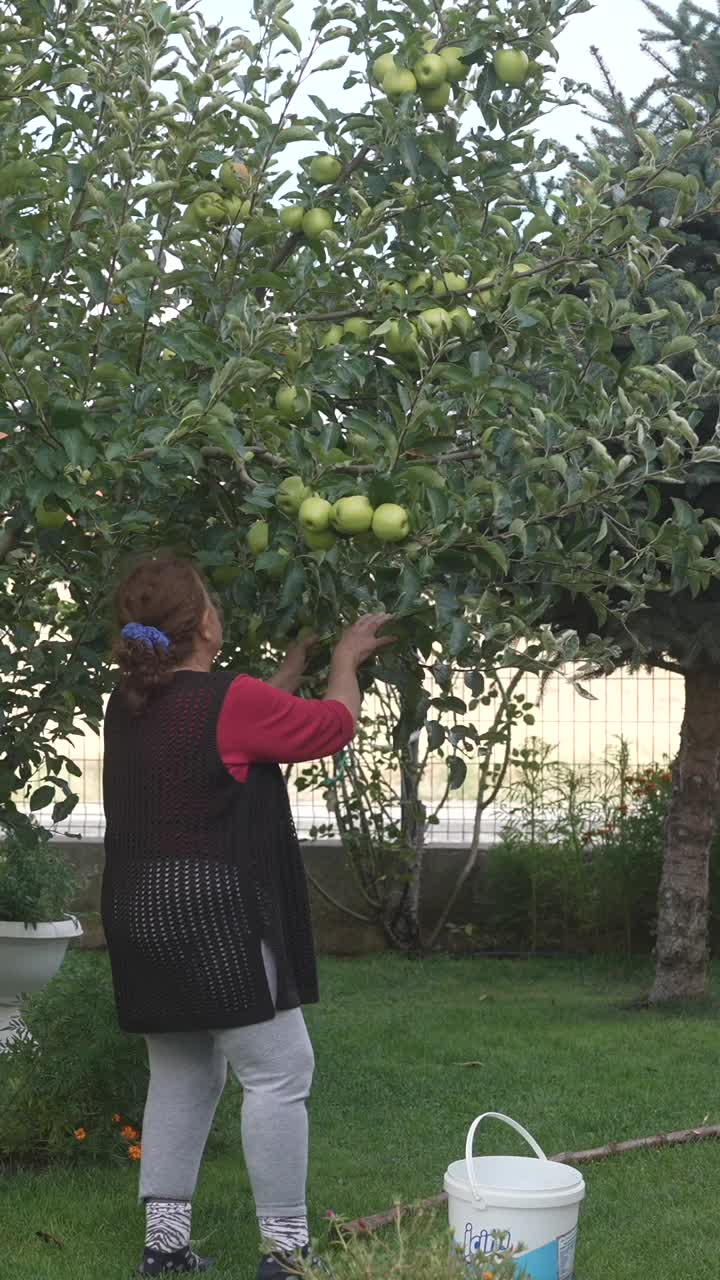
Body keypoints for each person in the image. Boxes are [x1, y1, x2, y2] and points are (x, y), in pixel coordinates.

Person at [101, 553, 394, 1277]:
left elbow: (230, 735)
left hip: (140, 910)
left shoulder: (131, 701)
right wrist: (347, 661)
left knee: (182, 1072)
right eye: (211, 600)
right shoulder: (230, 702)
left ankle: (165, 1247)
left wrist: (291, 666)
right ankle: (286, 1252)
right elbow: (329, 727)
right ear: (202, 622)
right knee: (280, 1073)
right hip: (211, 910)